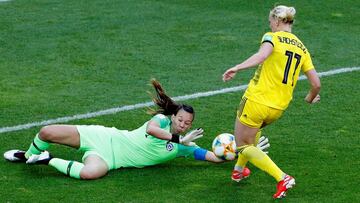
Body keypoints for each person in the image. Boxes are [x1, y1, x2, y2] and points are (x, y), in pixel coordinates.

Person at [4, 79, 270, 180]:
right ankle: (26, 155)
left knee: (91, 173)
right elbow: (154, 132)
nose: (183, 124)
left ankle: (47, 159)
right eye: (181, 119)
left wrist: (244, 150)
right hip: (104, 136)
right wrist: (179, 138)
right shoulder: (163, 123)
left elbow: (215, 157)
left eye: (187, 123)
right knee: (48, 131)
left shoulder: (184, 149)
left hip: (111, 159)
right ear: (174, 116)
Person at [222, 5, 321, 199]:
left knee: (242, 144)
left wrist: (237, 67)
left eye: (270, 22)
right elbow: (316, 84)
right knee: (253, 132)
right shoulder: (302, 48)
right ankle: (238, 170)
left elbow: (262, 55)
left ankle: (282, 177)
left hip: (257, 101)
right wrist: (309, 98)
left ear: (277, 21)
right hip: (278, 108)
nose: (270, 25)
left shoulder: (272, 37)